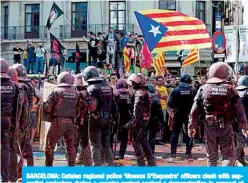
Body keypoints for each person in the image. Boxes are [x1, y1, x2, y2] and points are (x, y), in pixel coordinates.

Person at [188, 62, 248, 166]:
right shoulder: (230, 89)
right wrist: (244, 126)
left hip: (209, 127)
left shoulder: (203, 88)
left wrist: (191, 126)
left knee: (211, 158)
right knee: (228, 156)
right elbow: (240, 110)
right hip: (225, 127)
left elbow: (194, 110)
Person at [82, 66, 118, 166]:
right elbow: (114, 105)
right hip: (108, 119)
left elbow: (92, 107)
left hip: (96, 119)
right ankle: (109, 165)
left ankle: (96, 167)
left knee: (95, 145)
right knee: (106, 144)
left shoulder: (92, 88)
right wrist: (116, 119)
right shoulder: (108, 87)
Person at [43, 72, 81, 166]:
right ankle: (71, 167)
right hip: (71, 123)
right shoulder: (76, 93)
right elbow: (79, 109)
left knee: (49, 146)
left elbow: (48, 108)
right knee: (70, 146)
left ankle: (48, 167)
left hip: (58, 122)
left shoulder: (56, 91)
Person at [125, 73, 157, 166]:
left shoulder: (138, 93)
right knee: (143, 141)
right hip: (144, 120)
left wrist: (132, 122)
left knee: (137, 142)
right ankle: (151, 162)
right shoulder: (145, 92)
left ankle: (141, 164)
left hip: (139, 122)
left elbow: (137, 109)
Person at [0, 58, 21, 182]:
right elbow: (17, 107)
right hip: (7, 121)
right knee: (5, 150)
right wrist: (15, 123)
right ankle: (5, 178)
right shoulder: (14, 86)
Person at [167, 73, 195, 163]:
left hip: (178, 114)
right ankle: (189, 154)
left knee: (175, 133)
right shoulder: (192, 90)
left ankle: (173, 154)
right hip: (189, 114)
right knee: (189, 133)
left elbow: (170, 104)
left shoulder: (175, 90)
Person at [12, 64, 34, 168]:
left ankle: (21, 172)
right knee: (26, 146)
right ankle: (29, 168)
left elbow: (20, 107)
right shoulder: (29, 84)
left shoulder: (21, 86)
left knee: (20, 148)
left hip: (21, 121)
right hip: (27, 119)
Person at [8, 66, 28, 181]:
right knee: (14, 150)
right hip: (16, 125)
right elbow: (24, 110)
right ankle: (15, 176)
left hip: (10, 125)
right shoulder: (20, 89)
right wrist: (22, 126)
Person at [74, 74, 93, 166]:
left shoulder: (79, 94)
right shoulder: (89, 93)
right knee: (85, 142)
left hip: (79, 121)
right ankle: (86, 161)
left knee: (75, 142)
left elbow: (76, 109)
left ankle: (72, 162)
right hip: (87, 120)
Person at [113, 78, 132, 159]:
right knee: (124, 138)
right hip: (126, 118)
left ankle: (111, 154)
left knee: (111, 135)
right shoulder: (130, 94)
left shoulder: (115, 93)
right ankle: (121, 154)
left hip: (116, 117)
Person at [146, 84, 165, 155]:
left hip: (144, 120)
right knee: (152, 138)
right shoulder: (156, 100)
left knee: (144, 137)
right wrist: (162, 121)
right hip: (154, 120)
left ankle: (145, 152)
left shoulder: (143, 98)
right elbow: (160, 113)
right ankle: (151, 152)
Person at [235, 75, 248, 166]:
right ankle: (237, 158)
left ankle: (240, 158)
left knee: (239, 140)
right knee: (242, 140)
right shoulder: (247, 92)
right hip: (245, 120)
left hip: (236, 121)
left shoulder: (234, 92)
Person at [30, 76, 42, 144]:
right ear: (31, 81)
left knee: (33, 125)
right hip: (26, 111)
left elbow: (41, 97)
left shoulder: (35, 89)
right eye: (35, 82)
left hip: (32, 111)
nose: (36, 84)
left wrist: (37, 105)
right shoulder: (27, 87)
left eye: (37, 82)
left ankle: (31, 140)